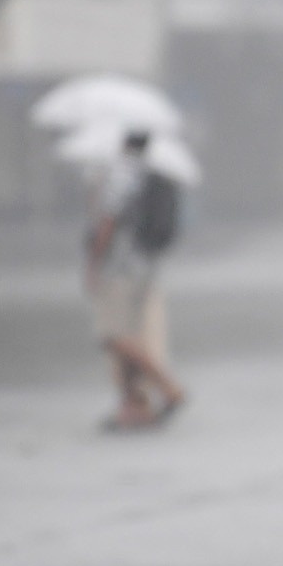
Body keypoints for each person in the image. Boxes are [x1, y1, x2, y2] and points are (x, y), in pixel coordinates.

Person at [85, 130, 185, 431]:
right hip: (146, 269)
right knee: (130, 337)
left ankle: (168, 388)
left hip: (119, 270)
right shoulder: (153, 175)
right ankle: (135, 406)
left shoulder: (119, 176)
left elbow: (107, 223)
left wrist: (93, 263)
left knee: (113, 336)